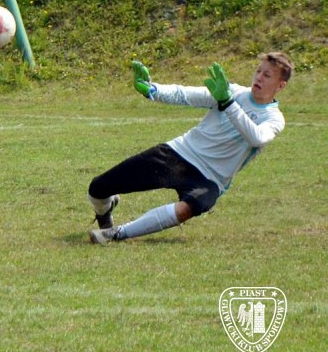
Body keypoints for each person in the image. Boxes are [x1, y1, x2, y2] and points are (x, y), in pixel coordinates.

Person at [87, 53, 293, 245]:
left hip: (211, 178)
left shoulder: (273, 118)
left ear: (280, 85)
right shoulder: (232, 91)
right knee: (97, 189)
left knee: (191, 207)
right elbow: (185, 94)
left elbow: (257, 138)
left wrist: (228, 103)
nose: (259, 77)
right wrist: (153, 90)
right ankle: (105, 212)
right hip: (178, 154)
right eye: (258, 71)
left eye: (267, 75)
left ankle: (117, 233)